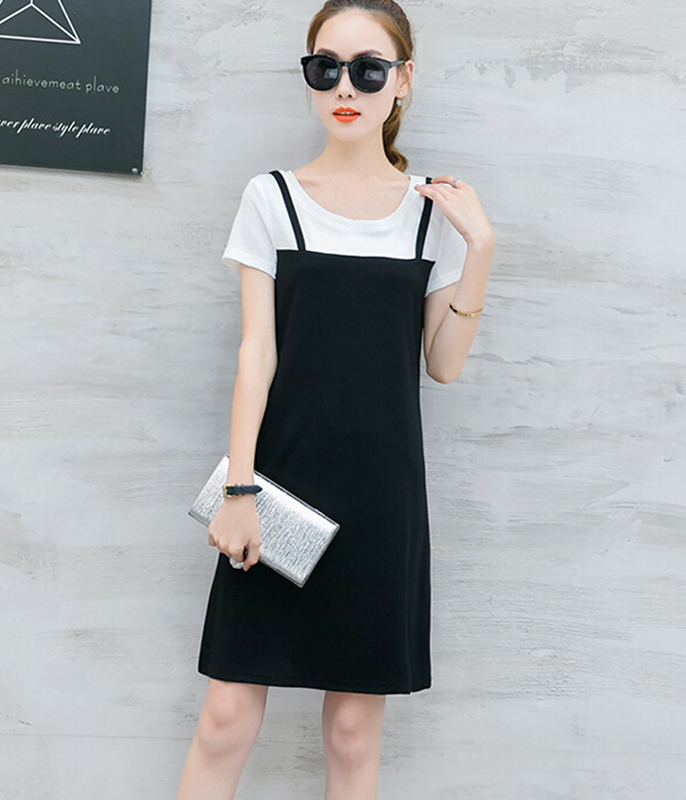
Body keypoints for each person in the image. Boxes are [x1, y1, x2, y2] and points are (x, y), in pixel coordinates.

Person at [176, 1, 495, 798]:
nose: (344, 87)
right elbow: (256, 354)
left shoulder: (432, 216)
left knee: (354, 735)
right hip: (276, 488)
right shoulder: (272, 198)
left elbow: (443, 365)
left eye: (367, 69)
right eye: (325, 68)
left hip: (380, 502)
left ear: (404, 80)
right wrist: (240, 490)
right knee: (224, 720)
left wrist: (482, 250)